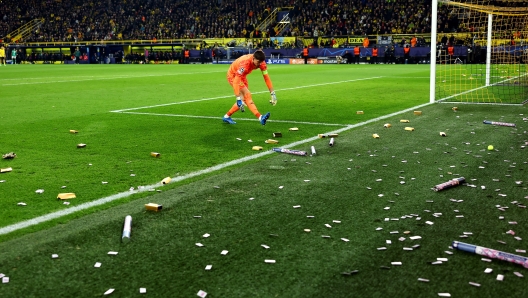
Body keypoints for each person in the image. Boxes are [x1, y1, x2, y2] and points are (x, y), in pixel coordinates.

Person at [222, 50, 276, 126]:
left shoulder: (261, 63)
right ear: (253, 58)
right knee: (247, 95)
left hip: (243, 76)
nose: (259, 65)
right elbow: (236, 81)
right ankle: (260, 117)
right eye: (258, 62)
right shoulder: (245, 64)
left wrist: (273, 93)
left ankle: (226, 117)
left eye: (261, 62)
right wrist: (237, 98)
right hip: (233, 75)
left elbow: (266, 77)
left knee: (243, 100)